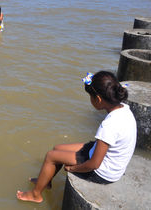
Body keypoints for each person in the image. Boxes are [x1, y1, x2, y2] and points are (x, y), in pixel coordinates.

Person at [16, 71, 137, 203]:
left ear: (98, 99)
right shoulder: (124, 108)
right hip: (110, 159)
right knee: (57, 148)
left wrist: (73, 168)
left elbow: (94, 164)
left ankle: (35, 195)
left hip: (103, 173)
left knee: (51, 156)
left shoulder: (109, 125)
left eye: (91, 97)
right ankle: (46, 181)